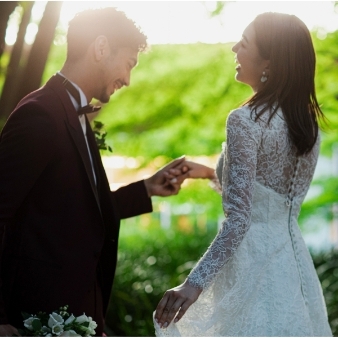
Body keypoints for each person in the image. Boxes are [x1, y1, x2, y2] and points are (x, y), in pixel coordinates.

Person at [0, 7, 187, 337]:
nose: (128, 80)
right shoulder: (39, 116)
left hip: (79, 313)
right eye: (129, 64)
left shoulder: (76, 116)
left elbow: (79, 210)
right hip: (32, 317)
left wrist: (146, 188)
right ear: (101, 48)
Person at [154, 12, 332, 336]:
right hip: (293, 269)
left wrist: (193, 285)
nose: (234, 48)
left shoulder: (244, 120)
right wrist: (210, 172)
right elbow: (272, 199)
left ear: (270, 63)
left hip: (249, 267)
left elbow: (241, 219)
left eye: (245, 43)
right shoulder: (309, 127)